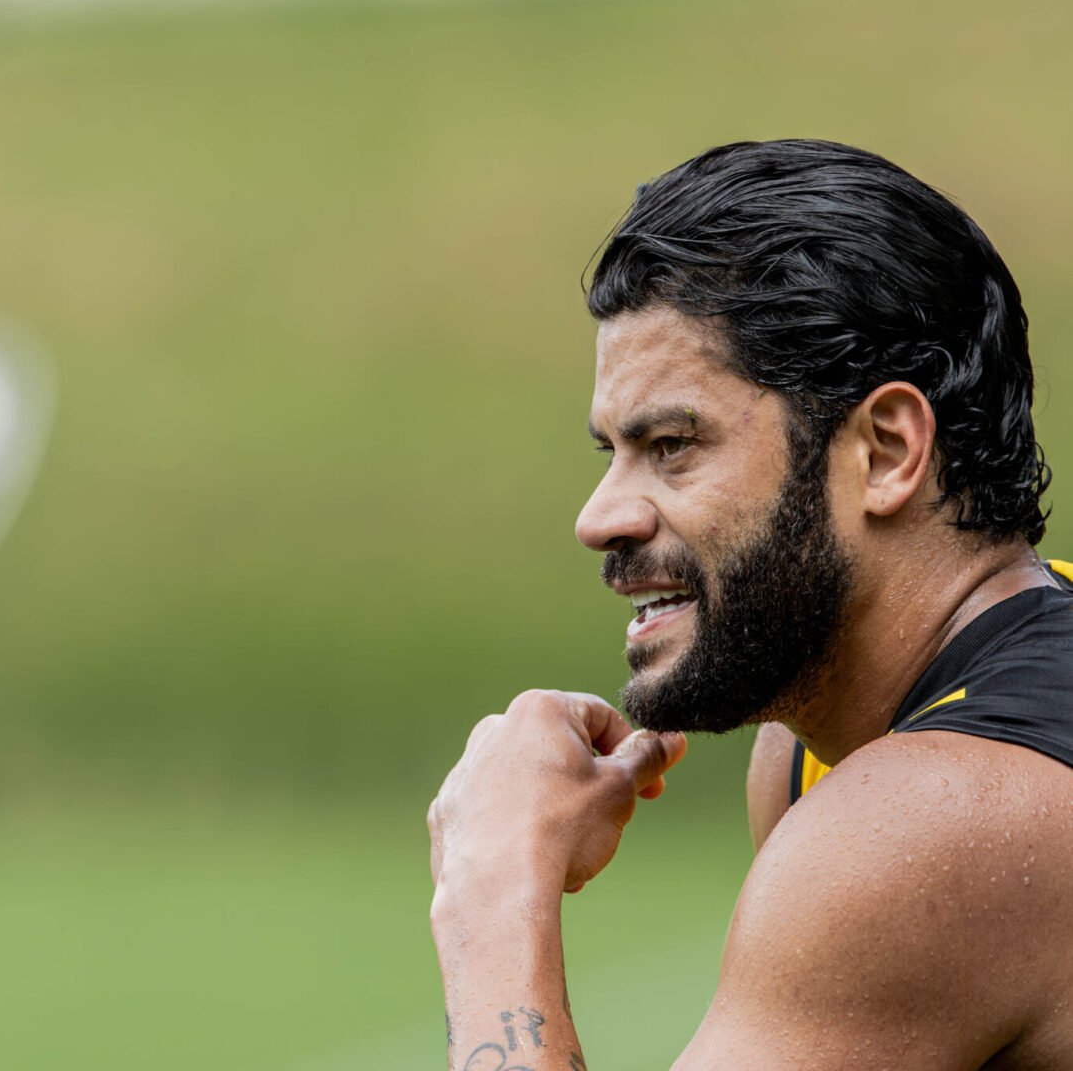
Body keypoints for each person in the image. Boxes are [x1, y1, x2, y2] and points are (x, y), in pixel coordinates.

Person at [427, 139, 1073, 1069]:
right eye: (608, 451)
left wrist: (493, 891)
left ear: (886, 453)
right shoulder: (816, 752)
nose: (598, 517)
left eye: (673, 444)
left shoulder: (934, 821)